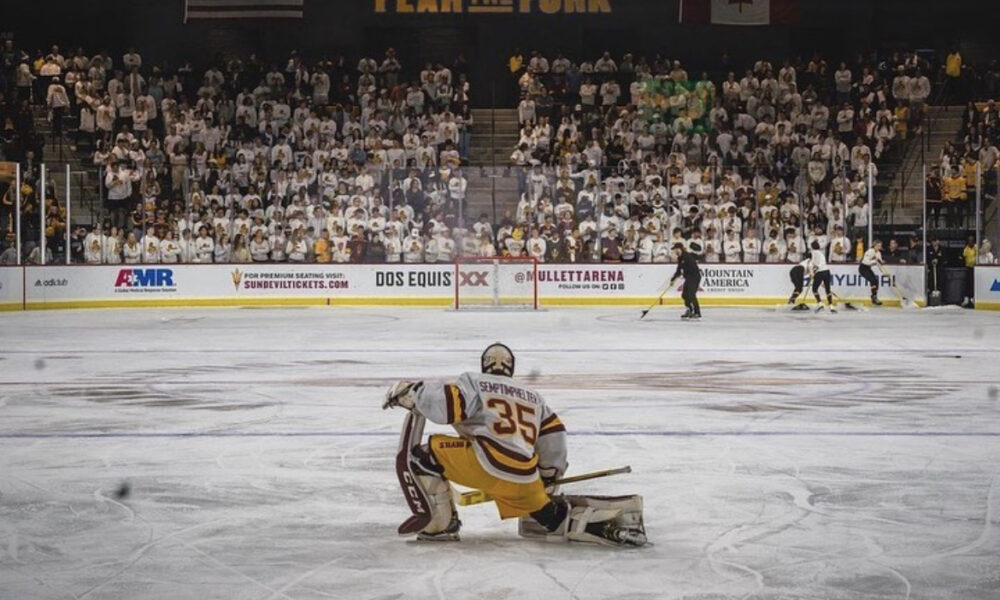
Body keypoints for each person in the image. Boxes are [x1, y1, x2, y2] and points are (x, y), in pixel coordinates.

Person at [382, 343, 646, 547]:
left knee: (424, 456)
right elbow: (555, 438)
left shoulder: (475, 381)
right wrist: (547, 477)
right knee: (545, 512)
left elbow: (446, 407)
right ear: (511, 368)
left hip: (486, 464)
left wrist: (413, 393)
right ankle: (576, 520)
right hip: (525, 476)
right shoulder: (534, 397)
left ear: (485, 365)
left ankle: (440, 526)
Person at [669, 242, 702, 319]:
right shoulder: (680, 258)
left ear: (679, 249)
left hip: (694, 277)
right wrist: (673, 279)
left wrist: (684, 272)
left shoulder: (687, 257)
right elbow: (678, 270)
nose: (674, 251)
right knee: (684, 295)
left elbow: (692, 268)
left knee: (691, 294)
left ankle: (697, 312)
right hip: (689, 278)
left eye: (675, 249)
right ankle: (689, 309)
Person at [809, 239, 835, 312]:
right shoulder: (821, 253)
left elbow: (812, 264)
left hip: (820, 272)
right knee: (828, 289)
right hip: (826, 271)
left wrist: (812, 273)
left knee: (814, 289)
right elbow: (821, 263)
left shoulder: (814, 253)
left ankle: (820, 304)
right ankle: (831, 306)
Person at [859, 239, 884, 306]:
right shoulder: (870, 251)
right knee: (872, 280)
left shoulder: (878, 253)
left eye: (880, 246)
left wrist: (882, 269)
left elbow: (879, 263)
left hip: (868, 268)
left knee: (876, 281)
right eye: (878, 246)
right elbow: (865, 262)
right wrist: (875, 261)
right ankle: (874, 297)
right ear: (874, 245)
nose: (879, 247)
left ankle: (874, 296)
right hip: (863, 268)